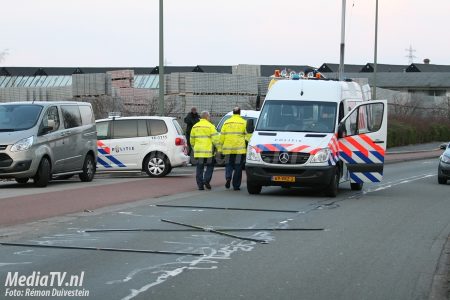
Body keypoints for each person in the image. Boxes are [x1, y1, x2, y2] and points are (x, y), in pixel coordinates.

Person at [220, 107, 251, 191]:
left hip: (228, 148)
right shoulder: (244, 122)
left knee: (228, 164)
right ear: (239, 113)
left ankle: (228, 177)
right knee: (238, 167)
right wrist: (247, 143)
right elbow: (248, 136)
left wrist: (220, 147)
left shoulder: (226, 122)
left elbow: (222, 136)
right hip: (239, 149)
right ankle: (236, 185)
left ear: (233, 113)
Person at [190, 111, 221, 190]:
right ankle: (206, 180)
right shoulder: (211, 126)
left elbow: (192, 140)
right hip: (208, 152)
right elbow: (215, 139)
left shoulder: (195, 127)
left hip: (198, 151)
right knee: (210, 166)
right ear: (207, 117)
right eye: (209, 117)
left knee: (199, 168)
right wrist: (219, 148)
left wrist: (194, 148)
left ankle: (200, 185)